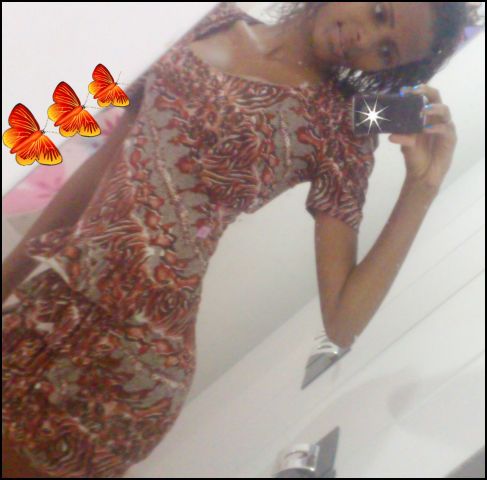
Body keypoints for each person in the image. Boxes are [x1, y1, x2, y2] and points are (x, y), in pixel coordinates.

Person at [2, 2, 480, 477]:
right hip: (46, 305)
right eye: (378, 12)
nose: (366, 41)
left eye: (387, 51)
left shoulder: (341, 129)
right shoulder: (208, 20)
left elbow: (342, 321)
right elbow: (103, 165)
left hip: (129, 361)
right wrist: (8, 278)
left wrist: (422, 188)